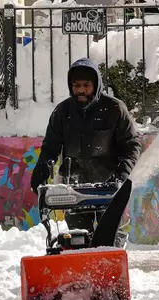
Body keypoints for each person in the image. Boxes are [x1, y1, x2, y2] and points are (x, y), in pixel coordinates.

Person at [30, 57, 141, 231]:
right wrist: (40, 172)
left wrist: (120, 176)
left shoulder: (114, 109)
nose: (81, 90)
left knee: (109, 239)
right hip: (74, 190)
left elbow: (131, 146)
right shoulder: (62, 112)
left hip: (109, 189)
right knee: (77, 240)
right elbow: (50, 147)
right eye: (76, 86)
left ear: (95, 85)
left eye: (86, 86)